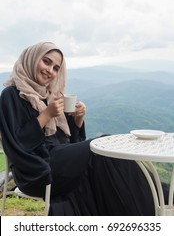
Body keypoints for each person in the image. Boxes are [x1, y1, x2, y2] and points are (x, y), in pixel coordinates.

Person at [0, 41, 156, 215]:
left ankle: (143, 205)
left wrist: (77, 120)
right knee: (101, 146)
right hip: (35, 169)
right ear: (31, 59)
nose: (50, 70)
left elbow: (71, 142)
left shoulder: (50, 95)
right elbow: (16, 144)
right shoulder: (11, 95)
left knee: (106, 145)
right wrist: (46, 115)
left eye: (56, 68)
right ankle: (152, 202)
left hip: (58, 159)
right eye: (46, 61)